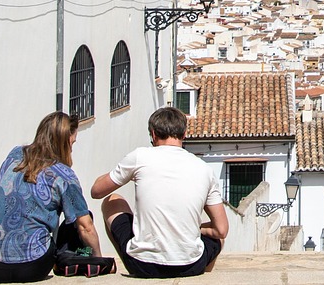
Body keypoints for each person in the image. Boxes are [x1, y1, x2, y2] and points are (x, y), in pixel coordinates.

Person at [91, 106, 227, 278]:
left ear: (153, 134)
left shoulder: (139, 157)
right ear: (184, 134)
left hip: (142, 266)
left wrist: (124, 173)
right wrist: (196, 229)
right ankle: (201, 278)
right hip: (191, 266)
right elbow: (221, 230)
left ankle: (131, 255)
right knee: (218, 239)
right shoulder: (204, 169)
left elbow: (96, 191)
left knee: (113, 199)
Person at [0, 112, 103, 282]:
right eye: (72, 143)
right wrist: (98, 258)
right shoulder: (65, 175)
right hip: (32, 265)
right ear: (65, 142)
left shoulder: (13, 156)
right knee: (78, 217)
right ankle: (71, 260)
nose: (72, 149)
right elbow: (85, 227)